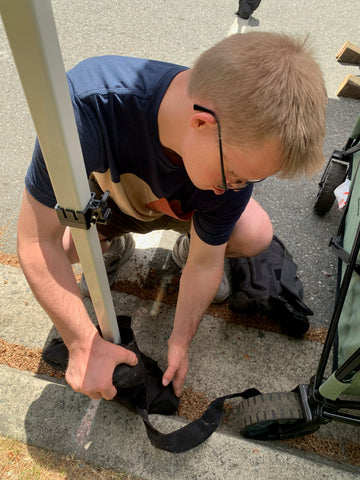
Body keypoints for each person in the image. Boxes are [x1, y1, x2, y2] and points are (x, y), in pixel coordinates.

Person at [17, 32, 327, 401]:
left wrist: (180, 341)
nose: (238, 186)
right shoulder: (86, 107)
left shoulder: (230, 151)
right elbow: (36, 241)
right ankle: (107, 243)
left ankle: (184, 245)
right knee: (64, 250)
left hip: (182, 211)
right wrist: (82, 341)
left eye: (252, 178)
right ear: (201, 123)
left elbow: (205, 265)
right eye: (236, 175)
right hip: (111, 204)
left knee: (255, 232)